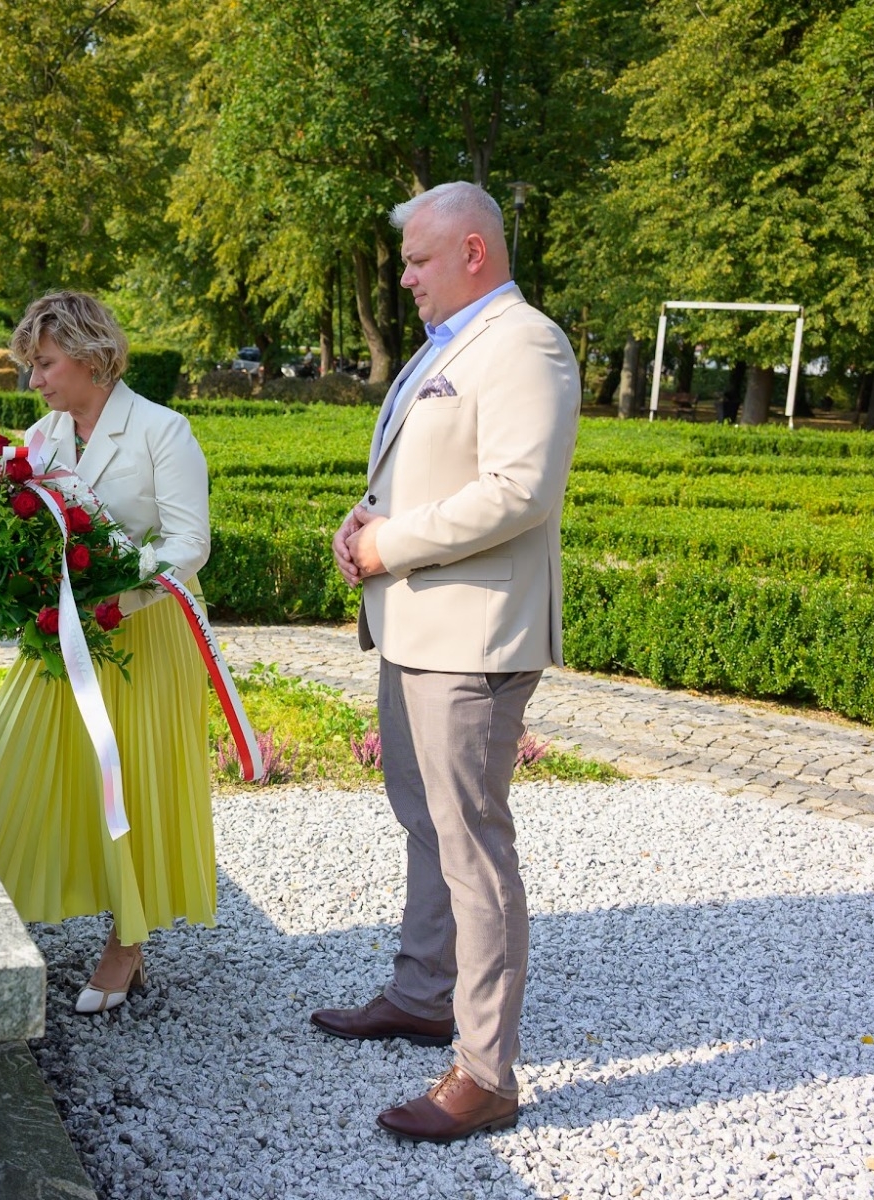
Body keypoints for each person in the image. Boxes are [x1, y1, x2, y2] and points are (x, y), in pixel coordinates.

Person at [312, 181, 580, 1142]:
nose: (404, 279)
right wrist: (363, 521)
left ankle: (486, 1072)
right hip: (416, 628)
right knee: (426, 822)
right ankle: (424, 996)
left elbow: (519, 491)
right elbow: (425, 470)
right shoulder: (447, 345)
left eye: (418, 261)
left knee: (472, 847)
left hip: (473, 637)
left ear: (472, 251)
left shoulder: (524, 342)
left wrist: (390, 544)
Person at [0, 291, 214, 1015]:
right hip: (61, 634)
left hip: (146, 632)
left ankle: (126, 944)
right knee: (9, 758)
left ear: (91, 357)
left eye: (44, 363)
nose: (33, 379)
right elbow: (12, 532)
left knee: (133, 782)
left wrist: (116, 596)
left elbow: (190, 543)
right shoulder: (42, 436)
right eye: (31, 365)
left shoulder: (163, 430)